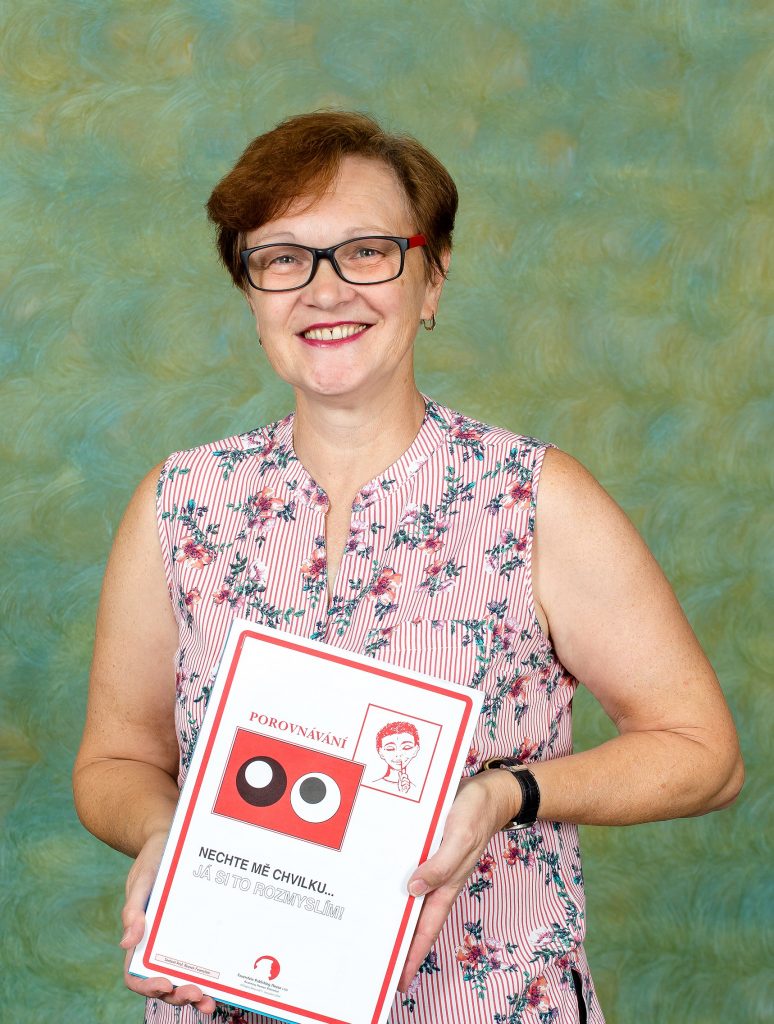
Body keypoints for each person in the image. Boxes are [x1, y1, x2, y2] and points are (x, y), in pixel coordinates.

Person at [73, 111, 744, 1024]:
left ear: (432, 277)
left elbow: (704, 754)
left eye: (366, 252)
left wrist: (507, 794)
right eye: (284, 258)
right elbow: (116, 759)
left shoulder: (534, 499)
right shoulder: (181, 504)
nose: (325, 290)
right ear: (252, 293)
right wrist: (167, 836)